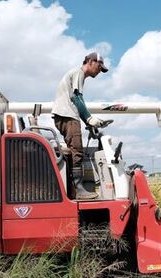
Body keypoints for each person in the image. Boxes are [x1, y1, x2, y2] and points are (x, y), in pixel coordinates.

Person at [52, 52, 108, 199]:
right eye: (99, 66)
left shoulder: (76, 74)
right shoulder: (78, 73)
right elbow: (77, 98)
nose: (99, 70)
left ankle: (72, 190)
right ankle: (79, 190)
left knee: (72, 152)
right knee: (77, 151)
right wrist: (89, 118)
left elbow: (78, 102)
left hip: (66, 115)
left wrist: (88, 122)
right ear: (90, 61)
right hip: (67, 115)